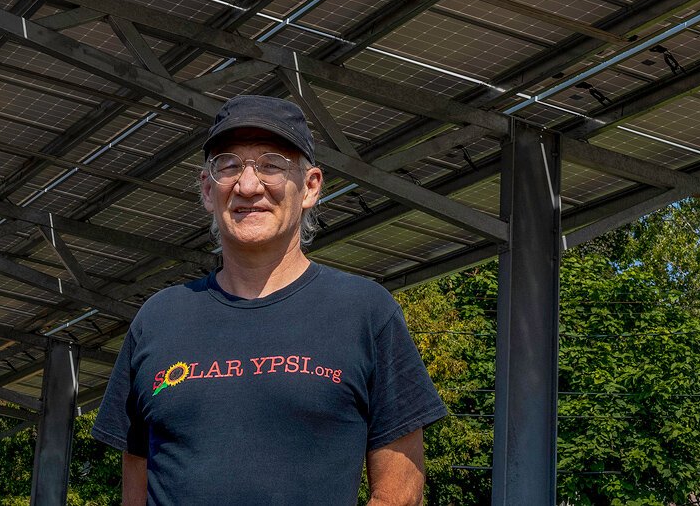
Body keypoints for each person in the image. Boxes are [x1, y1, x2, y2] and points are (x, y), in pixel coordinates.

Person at [92, 94, 447, 505]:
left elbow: (399, 494)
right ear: (208, 190)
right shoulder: (158, 319)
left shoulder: (365, 312)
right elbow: (135, 489)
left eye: (271, 165)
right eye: (229, 166)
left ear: (310, 186)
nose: (247, 185)